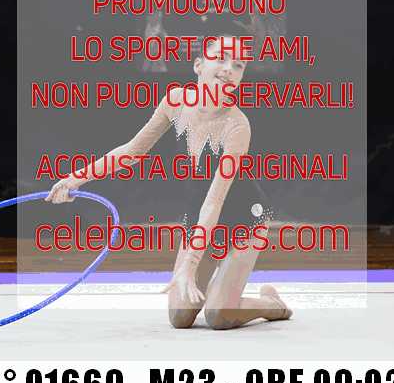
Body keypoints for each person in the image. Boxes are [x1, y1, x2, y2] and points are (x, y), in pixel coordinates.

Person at [46, 35, 292, 330]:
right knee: (179, 316)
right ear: (198, 65)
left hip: (244, 218)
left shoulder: (238, 126)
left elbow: (215, 200)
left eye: (238, 65)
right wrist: (75, 179)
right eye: (221, 58)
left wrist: (190, 263)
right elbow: (131, 151)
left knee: (219, 316)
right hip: (200, 214)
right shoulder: (175, 102)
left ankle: (272, 304)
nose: (229, 68)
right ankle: (222, 290)